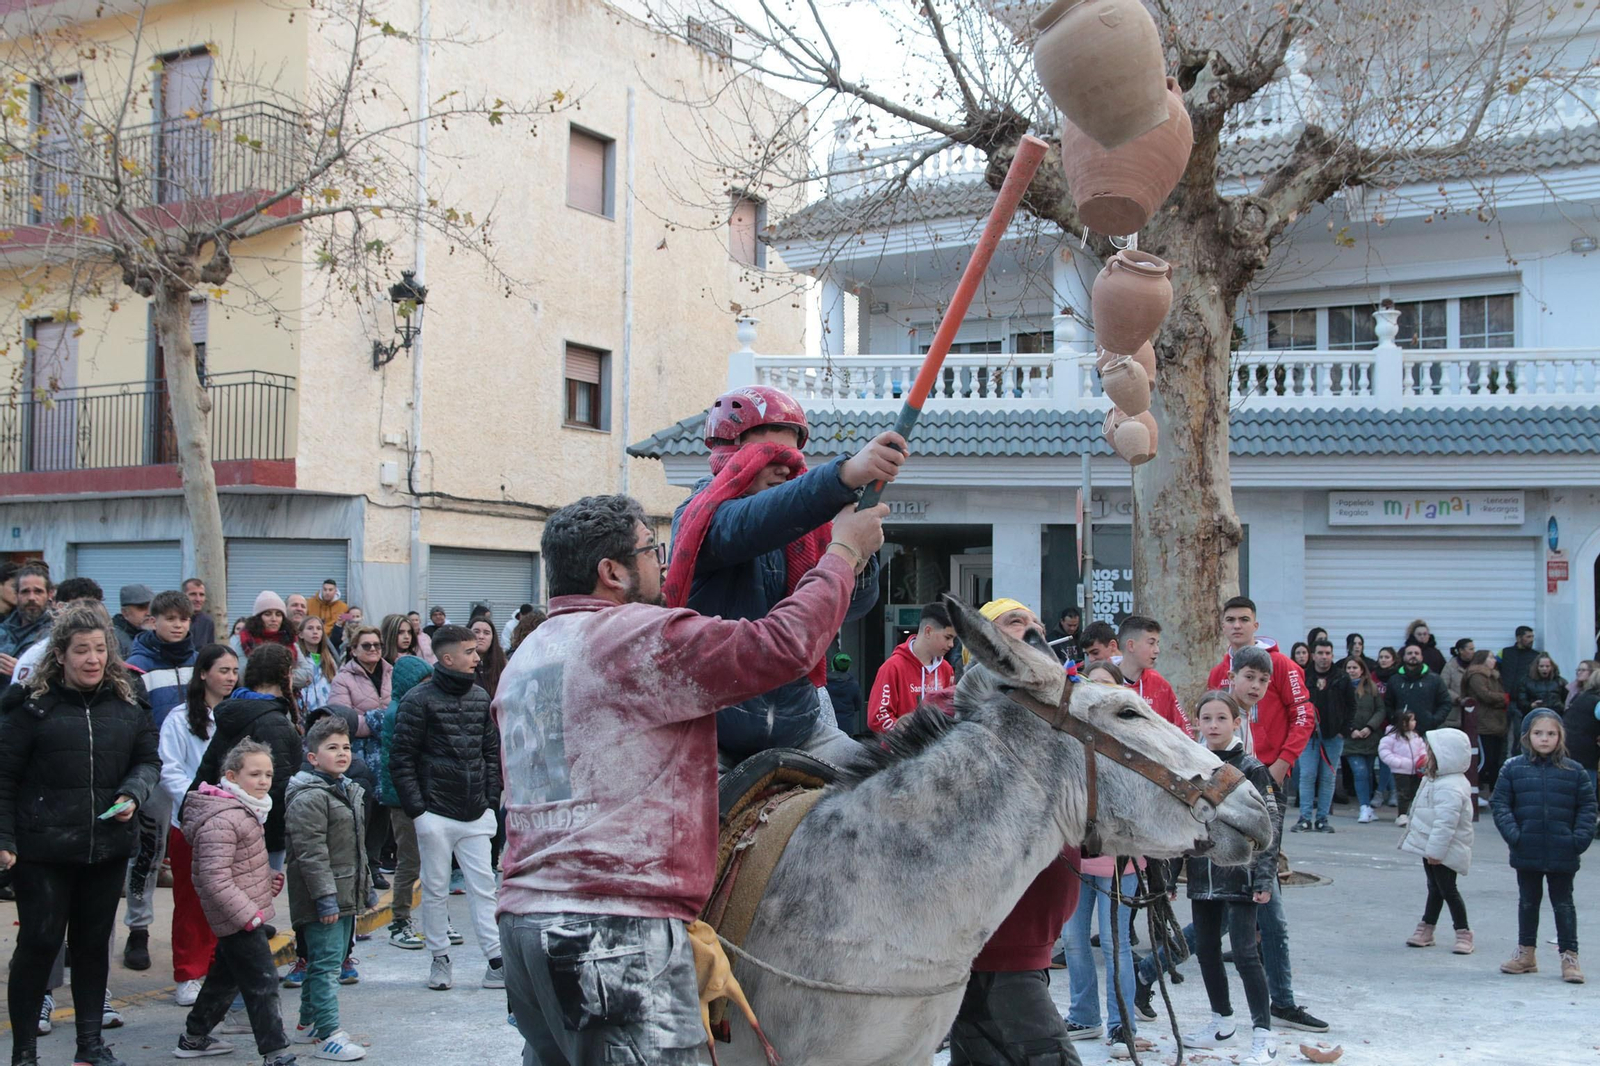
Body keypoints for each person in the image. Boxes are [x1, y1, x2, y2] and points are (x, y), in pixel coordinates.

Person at [496, 492, 885, 1065]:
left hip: (525, 927)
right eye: (652, 551)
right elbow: (781, 647)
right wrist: (844, 553)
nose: (665, 563)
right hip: (612, 936)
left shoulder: (532, 653)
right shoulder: (632, 637)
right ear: (612, 572)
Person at [666, 386, 902, 766]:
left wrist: (858, 556)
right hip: (711, 734)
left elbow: (851, 606)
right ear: (728, 453)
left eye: (794, 461)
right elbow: (754, 522)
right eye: (770, 455)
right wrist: (843, 475)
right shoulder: (698, 518)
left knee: (883, 787)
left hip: (801, 727)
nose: (784, 468)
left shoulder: (808, 529)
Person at [0, 602, 160, 1066]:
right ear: (61, 656)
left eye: (99, 650)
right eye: (81, 651)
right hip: (42, 851)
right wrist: (5, 841)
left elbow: (149, 761)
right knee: (39, 945)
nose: (92, 659)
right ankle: (25, 1053)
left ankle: (90, 1046)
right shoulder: (30, 708)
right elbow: (4, 777)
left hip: (107, 849)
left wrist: (133, 793)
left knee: (92, 948)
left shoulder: (127, 705)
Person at [1219, 644, 1326, 1034]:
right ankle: (1150, 970)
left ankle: (1281, 1001)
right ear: (1231, 675)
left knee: (1263, 917)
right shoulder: (1223, 714)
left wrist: (1279, 767)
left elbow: (1303, 716)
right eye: (1249, 677)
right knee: (1224, 918)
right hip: (1235, 821)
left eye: (1263, 679)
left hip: (1262, 806)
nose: (1257, 684)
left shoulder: (1270, 685)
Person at [389, 625, 503, 993]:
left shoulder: (480, 697)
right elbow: (401, 758)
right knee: (436, 889)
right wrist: (419, 812)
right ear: (448, 657)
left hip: (474, 813)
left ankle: (496, 960)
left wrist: (489, 802)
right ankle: (439, 958)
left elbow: (491, 752)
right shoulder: (417, 700)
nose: (477, 657)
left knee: (484, 887)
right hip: (435, 812)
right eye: (470, 651)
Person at [174, 739, 297, 1066]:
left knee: (224, 979)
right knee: (263, 981)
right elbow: (214, 878)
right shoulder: (223, 818)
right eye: (254, 774)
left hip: (243, 912)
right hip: (237, 916)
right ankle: (276, 1053)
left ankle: (193, 1037)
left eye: (268, 774)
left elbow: (237, 866)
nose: (263, 781)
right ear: (231, 775)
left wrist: (266, 879)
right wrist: (248, 916)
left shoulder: (245, 810)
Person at [1181, 691, 1281, 1066]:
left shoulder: (1251, 769)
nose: (1213, 726)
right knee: (1206, 950)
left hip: (1241, 874)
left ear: (1237, 723)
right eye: (1206, 719)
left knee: (1244, 953)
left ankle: (1264, 1034)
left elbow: (1271, 825)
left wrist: (1263, 878)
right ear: (1198, 724)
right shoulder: (1193, 764)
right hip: (1202, 874)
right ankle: (1221, 1022)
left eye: (1221, 718)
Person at [121, 589, 200, 978]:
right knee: (148, 852)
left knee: (202, 853)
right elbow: (133, 724)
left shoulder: (200, 661)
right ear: (153, 621)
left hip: (196, 774)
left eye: (183, 619)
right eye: (170, 618)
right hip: (154, 771)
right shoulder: (137, 666)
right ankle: (138, 927)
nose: (178, 625)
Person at [284, 716, 372, 1061]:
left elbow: (355, 848)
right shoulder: (310, 797)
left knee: (326, 960)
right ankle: (327, 1034)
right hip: (323, 896)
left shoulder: (345, 788)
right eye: (332, 748)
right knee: (324, 965)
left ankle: (308, 1023)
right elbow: (311, 853)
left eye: (346, 747)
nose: (342, 753)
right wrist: (324, 898)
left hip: (344, 892)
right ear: (312, 757)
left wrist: (364, 889)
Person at [161, 645, 242, 1019]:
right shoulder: (179, 719)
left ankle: (219, 970)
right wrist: (201, 800)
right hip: (191, 823)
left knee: (227, 902)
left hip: (235, 823)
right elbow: (170, 770)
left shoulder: (238, 715)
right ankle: (188, 973)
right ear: (203, 674)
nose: (229, 677)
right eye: (222, 670)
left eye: (234, 671)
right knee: (191, 902)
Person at [1492, 709, 1595, 983]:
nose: (1545, 739)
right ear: (1527, 736)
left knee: (1563, 904)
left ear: (1560, 736)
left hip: (1564, 851)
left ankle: (1570, 957)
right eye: (1538, 733)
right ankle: (1526, 954)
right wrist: (1515, 835)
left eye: (1551, 733)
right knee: (1528, 902)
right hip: (1527, 848)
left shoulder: (1575, 772)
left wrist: (1578, 840)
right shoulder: (1513, 768)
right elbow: (1500, 804)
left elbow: (1588, 807)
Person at [192, 644, 305, 870]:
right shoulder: (273, 722)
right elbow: (279, 786)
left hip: (222, 826)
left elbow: (207, 770)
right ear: (287, 676)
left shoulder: (234, 710)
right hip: (261, 834)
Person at [1207, 598, 1314, 789]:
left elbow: (1303, 716)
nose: (1237, 625)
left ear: (1255, 625)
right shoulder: (1218, 671)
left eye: (1244, 619)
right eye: (1230, 620)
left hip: (1269, 768)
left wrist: (1282, 764)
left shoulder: (1280, 664)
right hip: (1224, 771)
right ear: (1222, 626)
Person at [1399, 727, 1476, 955]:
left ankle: (1463, 932)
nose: (1427, 756)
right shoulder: (1435, 780)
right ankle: (1426, 929)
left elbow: (1446, 824)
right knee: (1435, 888)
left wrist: (1435, 852)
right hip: (1432, 846)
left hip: (1443, 849)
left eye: (1431, 752)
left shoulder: (1451, 786)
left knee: (1448, 890)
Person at [376, 655, 434, 951]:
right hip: (403, 802)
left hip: (419, 798)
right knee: (409, 863)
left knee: (428, 862)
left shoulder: (411, 708)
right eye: (423, 682)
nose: (428, 687)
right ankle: (399, 921)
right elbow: (399, 763)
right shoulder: (399, 713)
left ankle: (435, 921)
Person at [330, 626, 393, 890]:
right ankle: (358, 868)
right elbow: (345, 720)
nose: (373, 650)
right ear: (354, 649)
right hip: (357, 755)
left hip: (387, 753)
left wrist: (371, 718)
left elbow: (399, 712)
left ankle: (375, 865)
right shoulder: (342, 679)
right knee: (361, 811)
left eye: (377, 645)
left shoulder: (391, 672)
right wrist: (382, 720)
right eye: (366, 645)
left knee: (382, 812)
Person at [1062, 850, 1143, 1053]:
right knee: (1072, 939)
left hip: (1120, 861)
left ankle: (1122, 1025)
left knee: (1114, 942)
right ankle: (1083, 1016)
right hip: (1075, 861)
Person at [868, 602, 955, 732]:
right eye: (948, 637)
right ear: (928, 631)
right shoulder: (893, 667)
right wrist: (911, 735)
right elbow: (877, 718)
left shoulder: (946, 669)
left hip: (938, 749)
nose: (951, 644)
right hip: (905, 750)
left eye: (953, 639)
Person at [1295, 639, 1352, 834]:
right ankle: (1304, 818)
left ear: (1332, 655)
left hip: (1333, 736)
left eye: (1328, 653)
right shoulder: (1304, 676)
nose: (1324, 657)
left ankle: (1322, 819)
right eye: (1320, 653)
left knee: (1328, 778)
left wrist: (1344, 730)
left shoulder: (1341, 677)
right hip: (1308, 736)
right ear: (1313, 655)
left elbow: (1352, 706)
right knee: (1307, 775)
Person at [1116, 615, 1190, 734]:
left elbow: (1184, 731)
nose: (1157, 650)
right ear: (1131, 645)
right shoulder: (1105, 681)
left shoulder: (1160, 685)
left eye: (1157, 643)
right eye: (1151, 643)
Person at [232, 593, 314, 691]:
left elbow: (308, 675)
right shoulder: (242, 641)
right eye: (268, 614)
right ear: (258, 617)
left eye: (278, 614)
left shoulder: (289, 641)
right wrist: (285, 676)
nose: (274, 619)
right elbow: (244, 677)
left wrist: (271, 675)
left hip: (286, 701)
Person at [1342, 656, 1388, 824]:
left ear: (1362, 669)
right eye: (1348, 668)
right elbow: (1339, 711)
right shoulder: (1341, 687)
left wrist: (1370, 727)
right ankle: (1363, 807)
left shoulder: (1371, 688)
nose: (1351, 671)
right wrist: (1351, 729)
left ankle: (1368, 807)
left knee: (1368, 774)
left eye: (1355, 667)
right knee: (1360, 772)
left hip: (1370, 738)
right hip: (1351, 739)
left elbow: (1380, 710)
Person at [1462, 651, 1511, 796]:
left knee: (1495, 760)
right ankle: (1471, 791)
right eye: (1490, 657)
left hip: (1496, 723)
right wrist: (1504, 698)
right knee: (1484, 760)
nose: (1494, 660)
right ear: (1482, 660)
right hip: (1483, 723)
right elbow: (1485, 696)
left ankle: (1492, 792)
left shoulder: (1494, 676)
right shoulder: (1476, 675)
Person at [0, 562, 53, 682]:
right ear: (17, 595)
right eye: (25, 592)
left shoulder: (57, 633)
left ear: (49, 594)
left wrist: (24, 670)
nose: (31, 598)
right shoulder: (3, 629)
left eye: (38, 591)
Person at [1385, 643, 1453, 734]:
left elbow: (1446, 702)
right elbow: (1387, 704)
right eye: (1409, 653)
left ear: (1421, 657)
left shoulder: (1434, 679)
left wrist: (1434, 720)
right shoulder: (1394, 680)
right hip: (1401, 732)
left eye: (1416, 653)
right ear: (1404, 657)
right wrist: (1394, 719)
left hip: (1428, 732)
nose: (1413, 655)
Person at [1379, 710, 1428, 827]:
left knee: (1416, 792)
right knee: (1403, 793)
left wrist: (1423, 759)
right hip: (1401, 771)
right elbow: (1385, 752)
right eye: (1411, 720)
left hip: (1416, 770)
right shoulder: (1391, 737)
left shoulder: (1415, 736)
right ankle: (1402, 815)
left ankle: (1414, 814)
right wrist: (1399, 763)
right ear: (1403, 723)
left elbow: (1422, 749)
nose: (1414, 722)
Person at [1563, 666, 1600, 794]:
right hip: (1586, 751)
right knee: (1587, 791)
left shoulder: (1581, 696)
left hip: (1569, 746)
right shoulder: (1598, 701)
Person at [1518, 653, 1568, 735]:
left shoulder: (1560, 682)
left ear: (1552, 667)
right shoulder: (1526, 682)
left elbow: (1567, 700)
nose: (1544, 669)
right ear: (1536, 667)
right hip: (1535, 719)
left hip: (1556, 717)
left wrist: (1560, 706)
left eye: (1547, 666)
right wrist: (1531, 705)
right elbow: (1520, 702)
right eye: (1541, 666)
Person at [297, 616, 339, 714]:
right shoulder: (298, 661)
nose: (315, 632)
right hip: (304, 713)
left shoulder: (330, 660)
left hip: (328, 713)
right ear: (301, 634)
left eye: (319, 628)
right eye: (310, 628)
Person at [1498, 626, 1541, 709]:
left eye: (1532, 637)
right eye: (1528, 637)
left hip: (1524, 701)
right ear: (1518, 638)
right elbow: (1495, 669)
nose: (1531, 640)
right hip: (1504, 698)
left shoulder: (1536, 656)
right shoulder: (1505, 652)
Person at [824, 649, 864, 736]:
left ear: (833, 665)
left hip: (828, 726)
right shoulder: (853, 684)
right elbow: (858, 705)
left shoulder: (824, 683)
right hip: (846, 726)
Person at [112, 584, 154, 658]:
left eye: (151, 607)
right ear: (125, 612)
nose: (148, 613)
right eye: (141, 607)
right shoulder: (114, 639)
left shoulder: (157, 635)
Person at [184, 578, 217, 648]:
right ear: (183, 596)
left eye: (201, 595)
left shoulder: (207, 622)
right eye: (193, 594)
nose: (198, 599)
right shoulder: (174, 619)